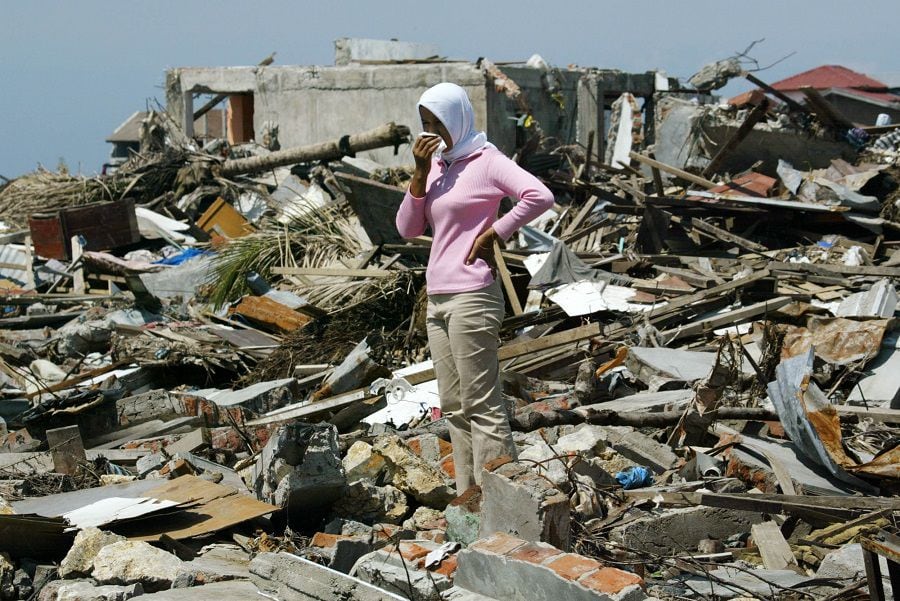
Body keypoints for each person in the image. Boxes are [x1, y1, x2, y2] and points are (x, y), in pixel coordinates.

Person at [395, 82, 554, 492]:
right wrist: (417, 174)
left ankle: (502, 497)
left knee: (482, 405)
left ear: (458, 120)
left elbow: (539, 195)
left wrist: (496, 232)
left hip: (473, 296)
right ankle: (470, 495)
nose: (431, 133)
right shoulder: (436, 167)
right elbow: (407, 229)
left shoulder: (486, 161)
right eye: (425, 123)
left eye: (438, 123)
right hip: (439, 299)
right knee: (453, 407)